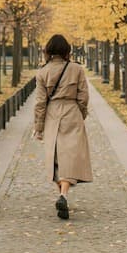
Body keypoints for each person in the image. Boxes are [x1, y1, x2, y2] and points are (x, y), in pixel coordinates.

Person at [32, 34, 92, 220]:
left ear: (48, 51)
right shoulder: (76, 69)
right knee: (71, 155)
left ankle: (62, 194)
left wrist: (39, 127)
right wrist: (80, 114)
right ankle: (63, 195)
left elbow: (40, 103)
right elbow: (83, 96)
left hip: (52, 113)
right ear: (67, 51)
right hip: (72, 111)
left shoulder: (43, 72)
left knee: (55, 156)